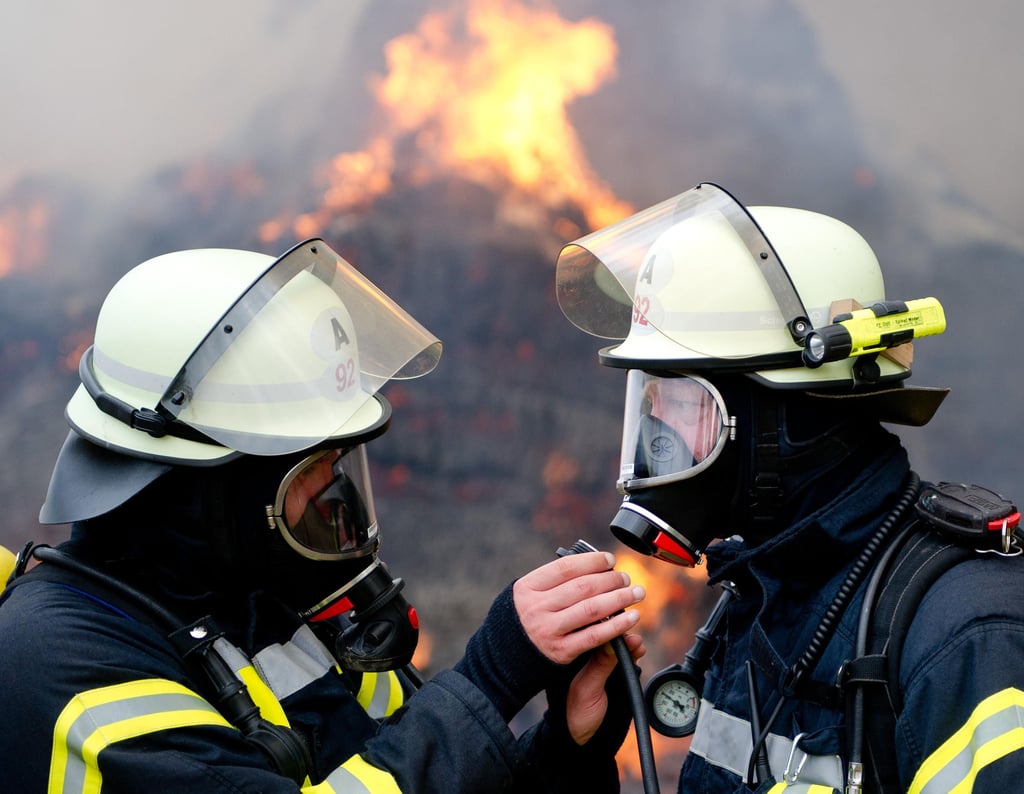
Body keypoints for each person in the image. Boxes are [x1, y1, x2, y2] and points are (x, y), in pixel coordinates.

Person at [0, 239, 647, 793]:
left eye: (339, 465)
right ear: (206, 493)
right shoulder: (68, 678)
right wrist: (489, 680)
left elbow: (396, 770)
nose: (337, 500)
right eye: (310, 471)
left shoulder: (268, 607)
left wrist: (564, 751)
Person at [555, 182, 1024, 792]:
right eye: (651, 408)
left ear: (791, 418)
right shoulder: (762, 593)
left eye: (685, 407)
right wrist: (576, 755)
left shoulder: (968, 637)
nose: (660, 447)